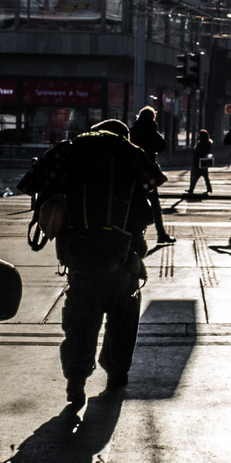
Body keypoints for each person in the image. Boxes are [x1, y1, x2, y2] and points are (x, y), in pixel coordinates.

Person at [37, 119, 157, 405]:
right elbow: (143, 218)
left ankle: (76, 382)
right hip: (120, 263)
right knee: (123, 319)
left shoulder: (72, 162)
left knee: (79, 326)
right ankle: (115, 372)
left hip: (79, 264)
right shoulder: (128, 166)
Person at [129, 106, 174, 245]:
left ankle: (131, 233)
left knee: (131, 203)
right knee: (154, 204)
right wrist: (153, 130)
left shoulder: (132, 130)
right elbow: (162, 145)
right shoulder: (151, 131)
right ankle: (161, 234)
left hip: (132, 172)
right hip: (147, 173)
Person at [186, 128, 214, 197]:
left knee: (196, 176)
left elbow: (197, 151)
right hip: (204, 161)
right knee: (205, 176)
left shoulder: (200, 143)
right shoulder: (208, 143)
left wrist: (194, 150)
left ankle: (191, 189)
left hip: (198, 161)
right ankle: (209, 189)